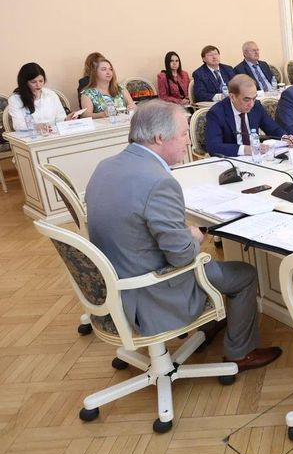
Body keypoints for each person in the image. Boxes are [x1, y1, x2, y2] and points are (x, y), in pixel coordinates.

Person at [85, 100, 281, 372]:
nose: (189, 141)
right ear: (159, 137)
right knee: (244, 274)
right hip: (149, 291)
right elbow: (182, 257)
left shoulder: (105, 165)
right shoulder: (159, 182)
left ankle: (210, 325)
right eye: (183, 134)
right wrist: (194, 236)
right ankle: (241, 352)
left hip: (115, 278)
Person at [205, 75, 293, 157]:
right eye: (246, 99)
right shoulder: (216, 113)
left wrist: (284, 138)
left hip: (257, 157)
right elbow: (213, 147)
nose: (251, 104)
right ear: (232, 97)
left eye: (254, 98)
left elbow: (272, 128)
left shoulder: (256, 106)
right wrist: (247, 149)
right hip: (231, 159)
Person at [8, 63, 79, 131]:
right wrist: (36, 126)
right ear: (25, 82)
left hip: (52, 135)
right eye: (33, 82)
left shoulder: (51, 94)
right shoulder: (15, 99)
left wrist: (66, 120)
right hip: (30, 136)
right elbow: (17, 125)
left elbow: (60, 118)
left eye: (41, 81)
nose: (38, 85)